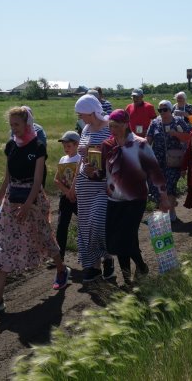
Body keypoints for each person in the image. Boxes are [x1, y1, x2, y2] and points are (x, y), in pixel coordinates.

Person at [0, 107, 70, 317]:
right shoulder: (10, 146)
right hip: (12, 201)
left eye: (17, 125)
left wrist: (27, 205)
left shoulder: (38, 147)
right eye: (11, 125)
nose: (14, 129)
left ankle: (62, 270)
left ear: (27, 124)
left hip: (33, 200)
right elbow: (7, 177)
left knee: (43, 236)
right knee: (4, 244)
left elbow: (37, 181)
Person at [101, 109, 170, 284]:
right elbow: (101, 173)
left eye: (116, 126)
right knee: (116, 242)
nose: (113, 130)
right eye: (110, 126)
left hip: (135, 200)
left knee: (125, 238)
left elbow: (155, 172)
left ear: (126, 124)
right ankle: (128, 279)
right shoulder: (107, 145)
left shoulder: (140, 145)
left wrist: (163, 196)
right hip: (114, 200)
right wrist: (90, 171)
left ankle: (141, 267)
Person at [73, 95, 115, 282]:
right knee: (86, 226)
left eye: (81, 114)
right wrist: (74, 184)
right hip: (85, 184)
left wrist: (100, 167)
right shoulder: (85, 129)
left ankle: (108, 257)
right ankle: (95, 265)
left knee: (98, 223)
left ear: (91, 111)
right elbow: (81, 159)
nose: (80, 118)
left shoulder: (109, 128)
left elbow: (116, 154)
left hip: (103, 183)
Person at [146, 100, 192, 221]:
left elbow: (188, 137)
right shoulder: (154, 123)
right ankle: (167, 210)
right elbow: (148, 140)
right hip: (158, 161)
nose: (162, 112)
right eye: (160, 110)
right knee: (158, 187)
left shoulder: (178, 121)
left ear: (170, 110)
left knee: (170, 186)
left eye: (165, 109)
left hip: (174, 161)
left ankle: (170, 213)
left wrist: (175, 134)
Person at [53, 130, 81, 261]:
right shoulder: (63, 159)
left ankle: (90, 254)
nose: (66, 148)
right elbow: (56, 179)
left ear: (77, 145)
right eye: (64, 146)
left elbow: (80, 177)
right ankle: (60, 256)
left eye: (68, 146)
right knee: (61, 226)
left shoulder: (80, 158)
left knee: (85, 224)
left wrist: (72, 192)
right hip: (66, 197)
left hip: (79, 197)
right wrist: (67, 192)